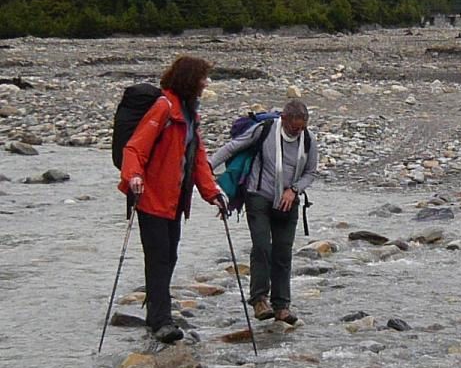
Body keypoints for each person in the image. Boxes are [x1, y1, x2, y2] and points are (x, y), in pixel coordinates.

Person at [118, 55, 225, 343]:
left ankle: (157, 313)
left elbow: (197, 158)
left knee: (169, 256)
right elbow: (134, 149)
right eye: (203, 78)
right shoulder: (164, 108)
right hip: (151, 197)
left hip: (174, 201)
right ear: (190, 80)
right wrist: (134, 178)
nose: (206, 83)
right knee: (159, 259)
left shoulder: (189, 113)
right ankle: (161, 321)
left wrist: (213, 193)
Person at [210, 100, 318, 325]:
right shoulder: (265, 130)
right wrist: (207, 167)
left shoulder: (308, 140)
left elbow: (310, 172)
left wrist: (295, 189)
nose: (298, 131)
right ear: (284, 119)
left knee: (283, 253)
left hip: (288, 201)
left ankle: (281, 306)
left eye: (302, 127)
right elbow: (233, 147)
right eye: (294, 127)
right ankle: (259, 299)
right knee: (261, 247)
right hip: (258, 196)